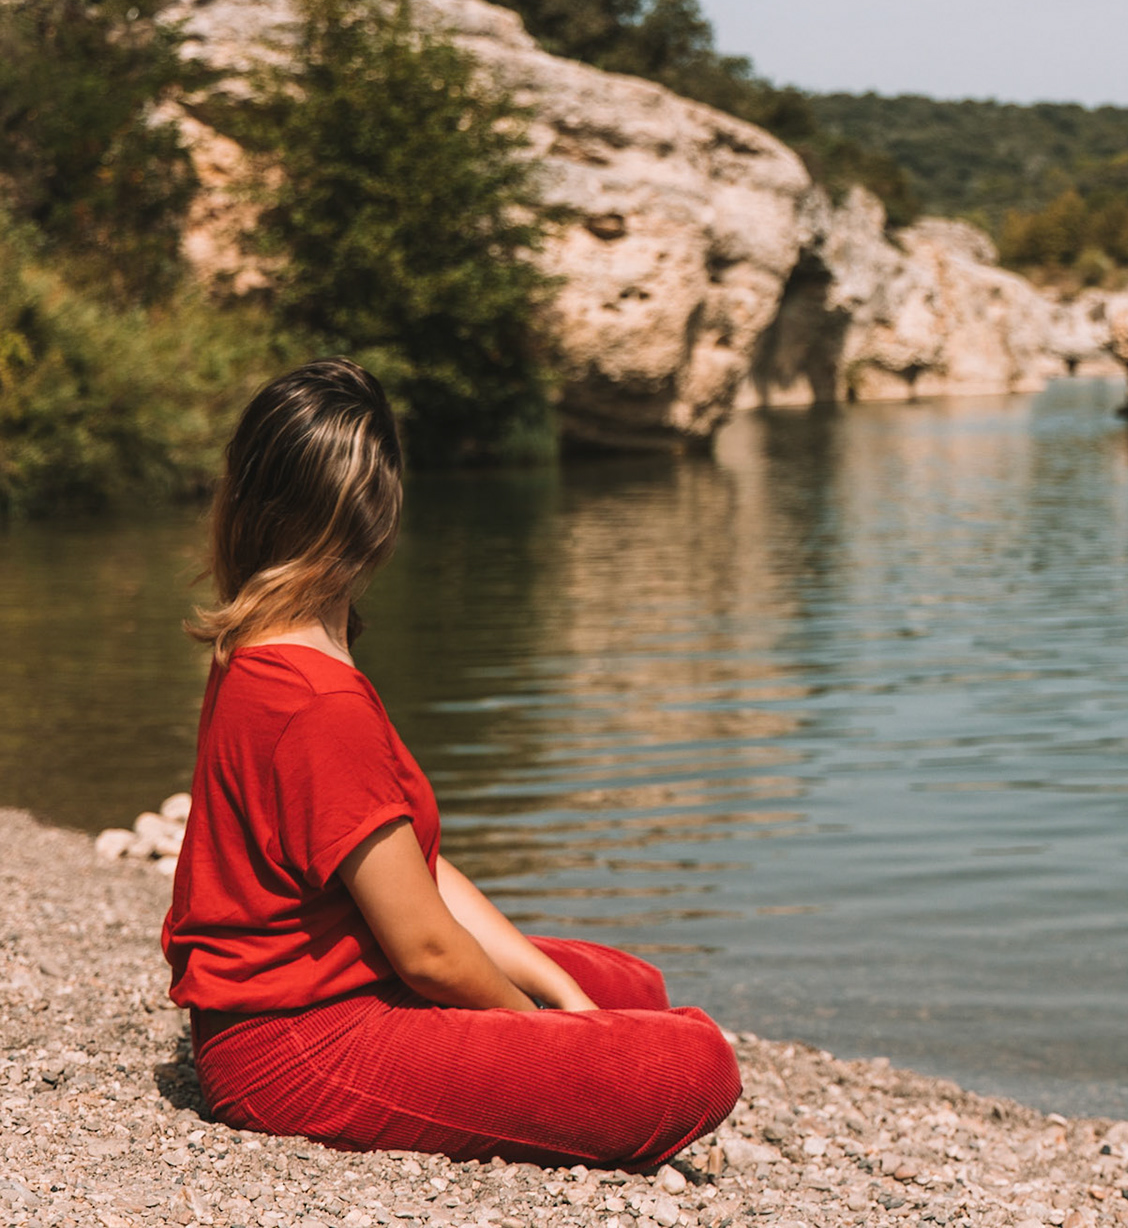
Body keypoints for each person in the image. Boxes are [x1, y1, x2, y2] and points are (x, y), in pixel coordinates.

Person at [162, 358, 740, 1167]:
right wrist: (530, 1025)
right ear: (378, 516)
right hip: (298, 1046)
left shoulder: (267, 650)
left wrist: (560, 992)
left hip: (310, 1005)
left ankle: (582, 1023)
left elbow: (415, 871)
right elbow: (427, 951)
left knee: (623, 988)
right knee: (696, 1064)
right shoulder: (320, 702)